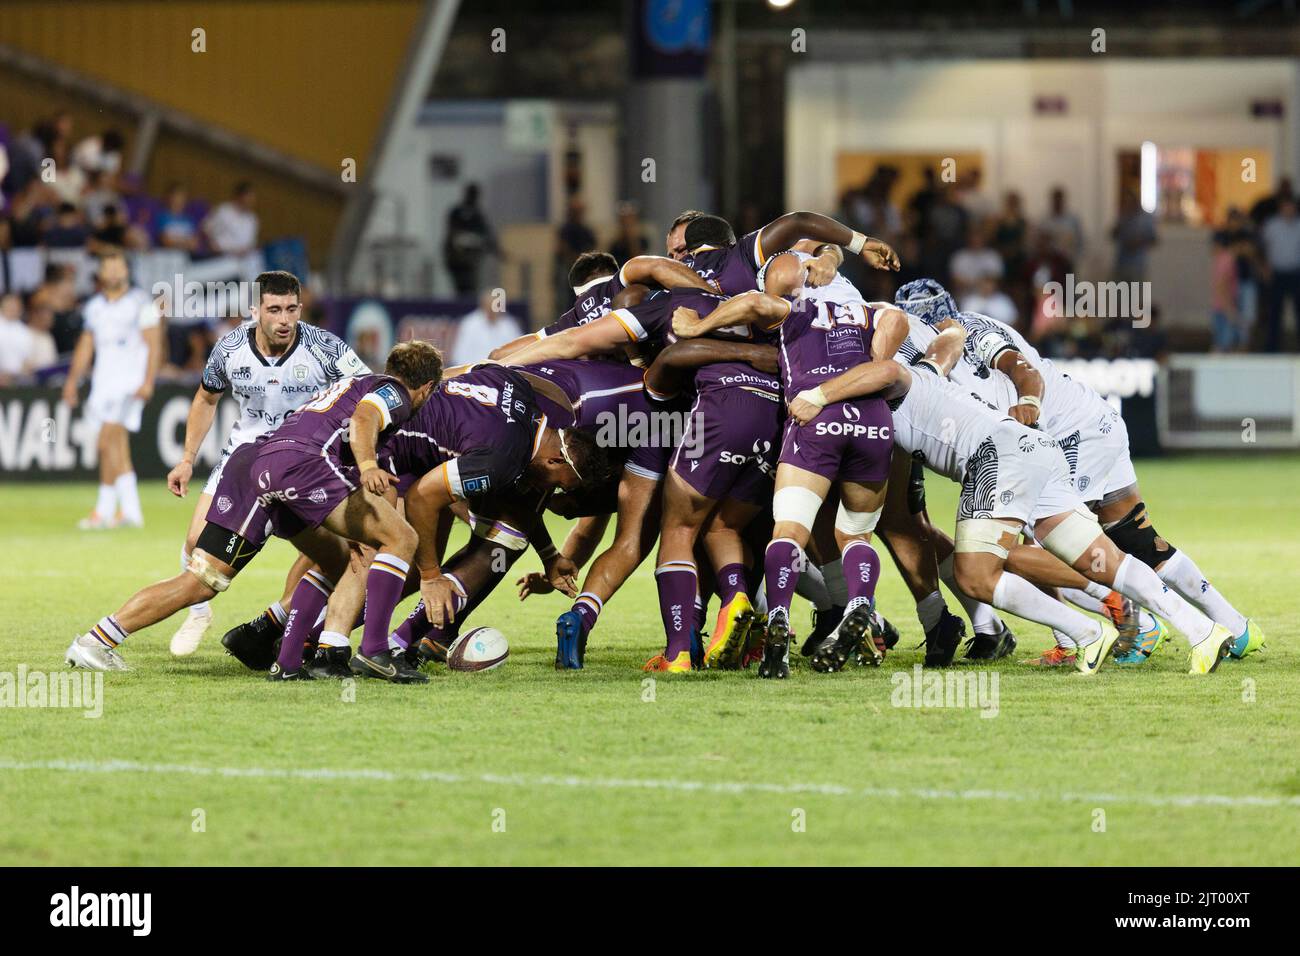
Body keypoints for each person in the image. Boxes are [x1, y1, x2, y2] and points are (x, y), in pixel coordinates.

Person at [786, 324, 1238, 676]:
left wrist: (818, 394)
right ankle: (1202, 631)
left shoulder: (881, 375)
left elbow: (887, 371)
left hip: (994, 455)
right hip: (1032, 449)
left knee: (976, 576)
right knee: (1103, 560)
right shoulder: (923, 367)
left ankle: (1084, 633)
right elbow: (948, 339)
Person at [896, 278, 1264, 663]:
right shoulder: (958, 333)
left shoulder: (969, 332)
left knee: (1037, 552)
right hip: (1087, 422)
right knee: (1137, 539)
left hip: (1065, 434)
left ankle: (1130, 622)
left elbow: (1023, 371)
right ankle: (1236, 627)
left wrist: (1029, 404)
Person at [65, 341, 444, 678]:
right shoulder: (393, 392)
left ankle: (290, 655)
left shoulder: (359, 382)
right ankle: (375, 652)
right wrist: (366, 468)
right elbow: (365, 419)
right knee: (400, 537)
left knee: (335, 558)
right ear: (426, 389)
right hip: (295, 466)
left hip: (262, 459)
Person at [670, 251, 909, 678]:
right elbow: (893, 331)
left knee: (789, 531)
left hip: (815, 416)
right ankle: (859, 607)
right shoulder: (873, 310)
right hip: (873, 421)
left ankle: (778, 616)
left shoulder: (796, 306)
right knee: (857, 535)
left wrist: (696, 327)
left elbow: (752, 304)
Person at [165, 270, 369, 657]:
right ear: (255, 310)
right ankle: (199, 612)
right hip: (245, 455)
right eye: (274, 310)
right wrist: (187, 459)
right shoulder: (229, 348)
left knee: (332, 552)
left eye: (292, 309)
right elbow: (206, 398)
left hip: (307, 458)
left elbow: (367, 393)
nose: (284, 320)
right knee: (196, 542)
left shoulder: (326, 348)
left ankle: (298, 632)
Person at [61, 250, 161, 530]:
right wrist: (72, 381)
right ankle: (120, 512)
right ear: (101, 274)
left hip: (128, 384)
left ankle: (115, 510)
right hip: (102, 385)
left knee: (106, 442)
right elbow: (86, 346)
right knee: (115, 447)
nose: (115, 272)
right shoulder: (93, 307)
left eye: (119, 267)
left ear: (126, 271)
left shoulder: (142, 302)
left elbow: (154, 343)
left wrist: (148, 380)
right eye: (109, 268)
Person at [1261, 194, 1300, 351]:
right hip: (1277, 273)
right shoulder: (1271, 225)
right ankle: (1272, 347)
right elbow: (1264, 247)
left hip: (1296, 273)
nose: (1288, 210)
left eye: (1291, 206)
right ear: (1281, 208)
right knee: (1275, 311)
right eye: (1286, 207)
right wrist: (1265, 267)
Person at [444, 183, 495, 296]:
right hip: (456, 260)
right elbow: (451, 234)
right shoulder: (456, 212)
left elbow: (487, 237)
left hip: (471, 261)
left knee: (471, 289)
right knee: (460, 289)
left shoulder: (478, 215)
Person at [450, 290, 524, 365]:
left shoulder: (509, 324)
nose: (494, 309)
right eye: (491, 305)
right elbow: (460, 355)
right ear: (483, 305)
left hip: (503, 371)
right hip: (475, 372)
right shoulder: (470, 324)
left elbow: (518, 351)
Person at [1111, 189, 1158, 285]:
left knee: (1136, 295)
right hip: (1122, 263)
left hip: (1138, 264)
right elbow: (1113, 235)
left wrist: (1139, 241)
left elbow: (1154, 239)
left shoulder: (1145, 218)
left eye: (1130, 202)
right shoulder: (1123, 217)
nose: (1129, 204)